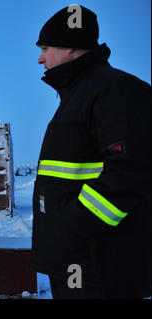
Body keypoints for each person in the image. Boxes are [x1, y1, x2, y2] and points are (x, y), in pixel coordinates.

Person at [30, 5, 151, 299]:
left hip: (100, 265)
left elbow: (131, 170)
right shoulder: (81, 94)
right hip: (78, 260)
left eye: (46, 47)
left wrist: (79, 221)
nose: (40, 58)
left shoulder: (116, 90)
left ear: (71, 46)